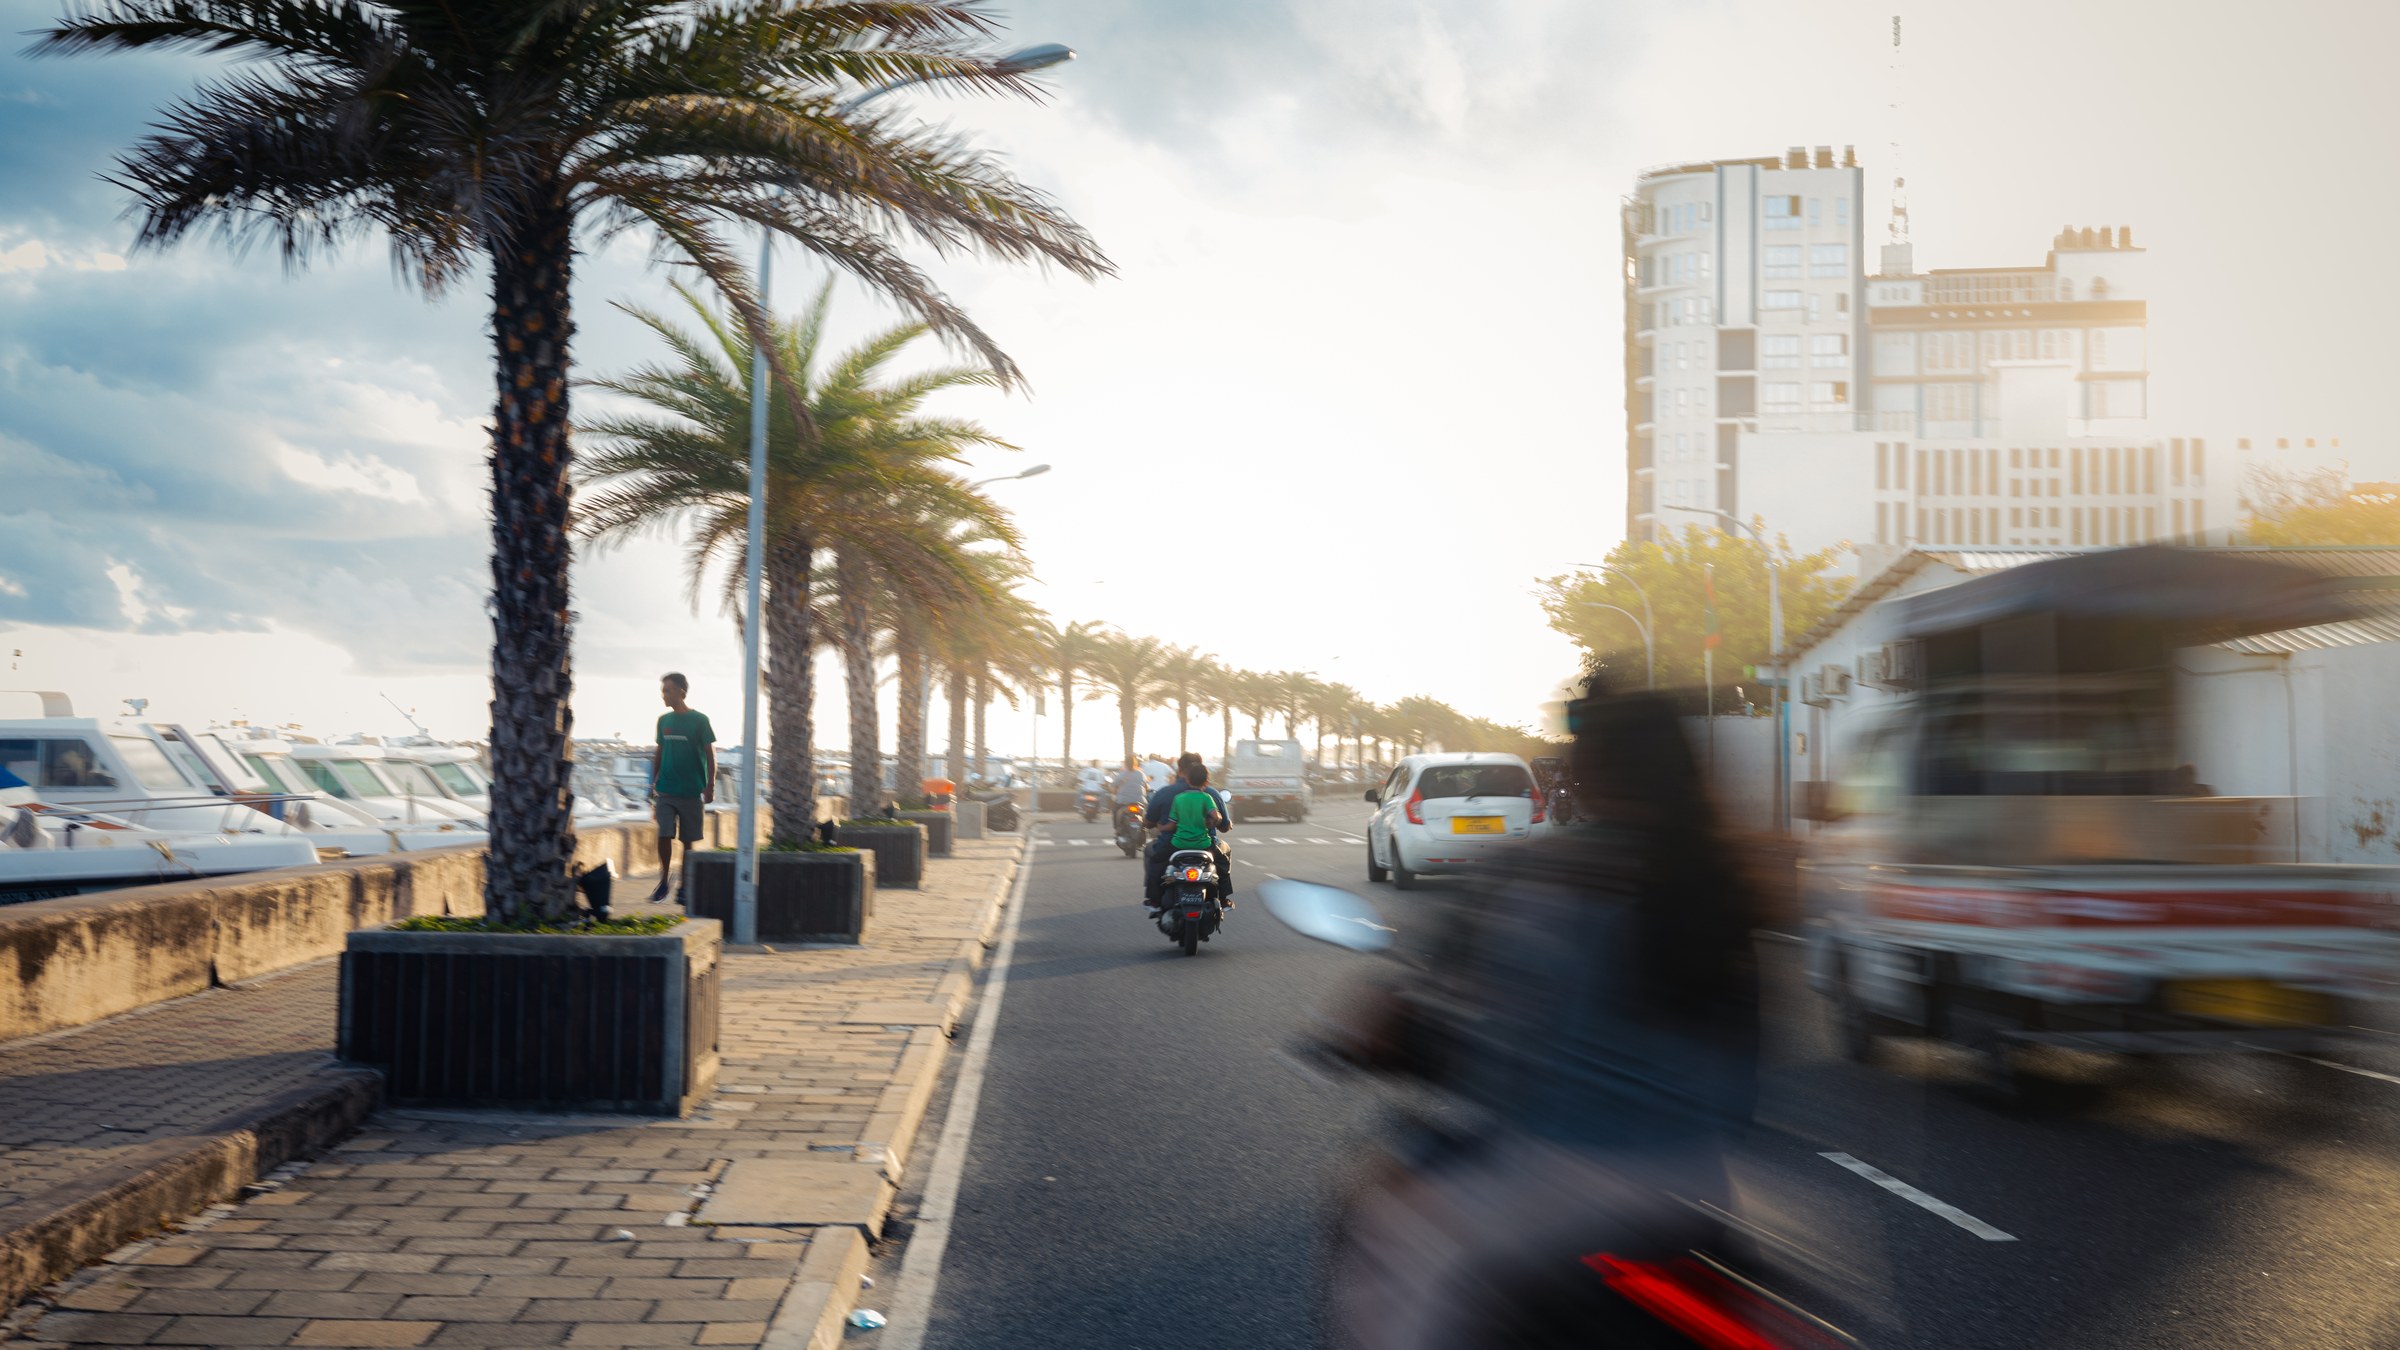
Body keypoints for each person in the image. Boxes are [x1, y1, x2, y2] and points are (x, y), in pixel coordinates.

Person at [1317, 684, 1762, 1349]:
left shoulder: (1534, 873)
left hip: (1550, 1186)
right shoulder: (1727, 885)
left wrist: (1362, 1035)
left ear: (1587, 770)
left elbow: (1406, 999)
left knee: (1383, 1217)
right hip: (1699, 1188)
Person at [648, 672, 716, 903]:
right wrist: (652, 782)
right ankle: (664, 880)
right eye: (662, 690)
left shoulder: (700, 721)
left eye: (667, 690)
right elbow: (659, 752)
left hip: (691, 791)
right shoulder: (663, 721)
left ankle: (685, 886)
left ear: (681, 692)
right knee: (664, 833)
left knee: (688, 841)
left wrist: (710, 785)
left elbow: (710, 754)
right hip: (666, 790)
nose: (663, 695)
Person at [1142, 753, 1233, 908]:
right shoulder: (1209, 794)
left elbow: (1157, 823)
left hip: (1174, 844)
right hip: (1205, 845)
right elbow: (1223, 825)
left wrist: (1160, 826)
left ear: (1181, 771)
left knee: (1154, 857)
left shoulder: (1169, 794)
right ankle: (1224, 898)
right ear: (1205, 778)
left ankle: (1154, 899)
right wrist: (1213, 822)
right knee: (1223, 857)